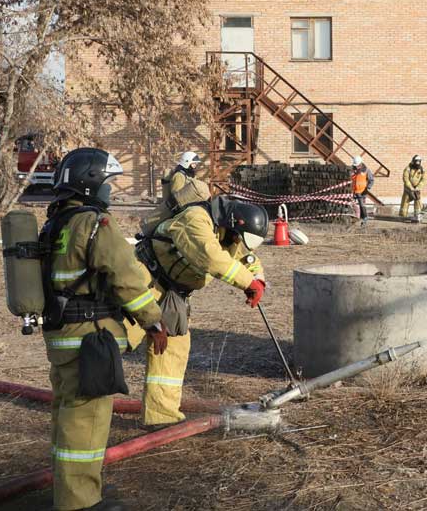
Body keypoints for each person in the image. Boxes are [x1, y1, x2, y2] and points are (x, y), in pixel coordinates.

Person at [42, 148, 166, 510]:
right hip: (90, 341)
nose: (111, 191)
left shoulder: (57, 223)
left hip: (62, 339)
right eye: (108, 183)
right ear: (91, 183)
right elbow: (127, 280)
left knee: (67, 419)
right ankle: (80, 503)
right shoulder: (97, 224)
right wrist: (154, 321)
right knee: (87, 425)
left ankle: (70, 493)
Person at [134, 196, 268, 427]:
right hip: (143, 282)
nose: (237, 241)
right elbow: (210, 256)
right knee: (116, 338)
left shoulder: (228, 232)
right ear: (234, 222)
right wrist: (247, 283)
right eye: (238, 236)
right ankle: (85, 403)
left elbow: (247, 259)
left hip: (172, 296)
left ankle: (161, 417)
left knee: (171, 351)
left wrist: (258, 279)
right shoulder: (195, 220)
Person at [399, 155, 425, 221]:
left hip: (417, 189)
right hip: (408, 189)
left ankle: (417, 217)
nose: (418, 164)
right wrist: (411, 187)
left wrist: (418, 187)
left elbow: (423, 179)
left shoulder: (421, 169)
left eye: (419, 162)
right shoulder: (408, 168)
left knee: (418, 203)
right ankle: (403, 217)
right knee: (405, 202)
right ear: (413, 161)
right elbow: (405, 179)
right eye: (416, 162)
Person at [351, 155, 374, 226]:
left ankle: (364, 219)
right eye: (356, 165)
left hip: (362, 191)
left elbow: (371, 180)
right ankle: (356, 217)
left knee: (362, 205)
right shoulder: (353, 170)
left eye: (357, 165)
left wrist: (367, 188)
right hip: (354, 191)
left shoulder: (366, 170)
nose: (356, 166)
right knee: (351, 204)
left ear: (361, 163)